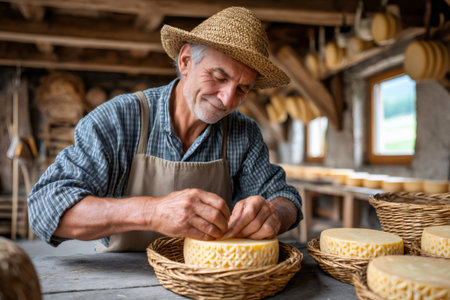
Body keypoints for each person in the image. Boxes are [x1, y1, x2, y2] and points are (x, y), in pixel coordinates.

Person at [28, 6, 302, 252]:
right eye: (219, 77)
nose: (228, 99)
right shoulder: (119, 119)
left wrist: (273, 214)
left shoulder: (244, 133)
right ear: (185, 61)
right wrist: (151, 211)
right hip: (122, 283)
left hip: (210, 283)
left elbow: (287, 199)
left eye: (242, 89)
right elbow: (45, 208)